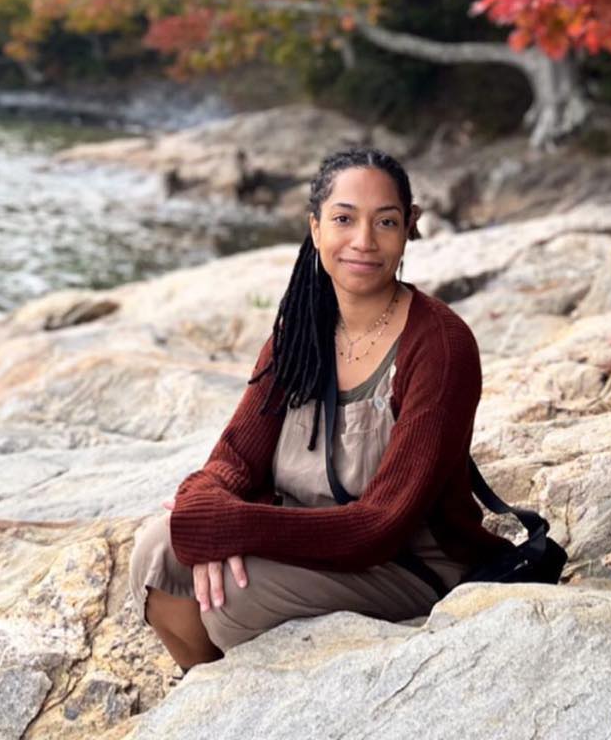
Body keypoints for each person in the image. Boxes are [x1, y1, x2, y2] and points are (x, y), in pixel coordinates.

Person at [128, 147, 514, 670]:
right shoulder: (301, 330)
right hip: (306, 539)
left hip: (405, 563)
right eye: (343, 219)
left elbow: (379, 526)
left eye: (385, 221)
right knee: (154, 552)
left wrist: (232, 528)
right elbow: (235, 459)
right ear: (315, 228)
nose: (363, 241)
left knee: (230, 602)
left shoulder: (440, 345)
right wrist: (203, 507)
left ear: (409, 230)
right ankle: (212, 697)